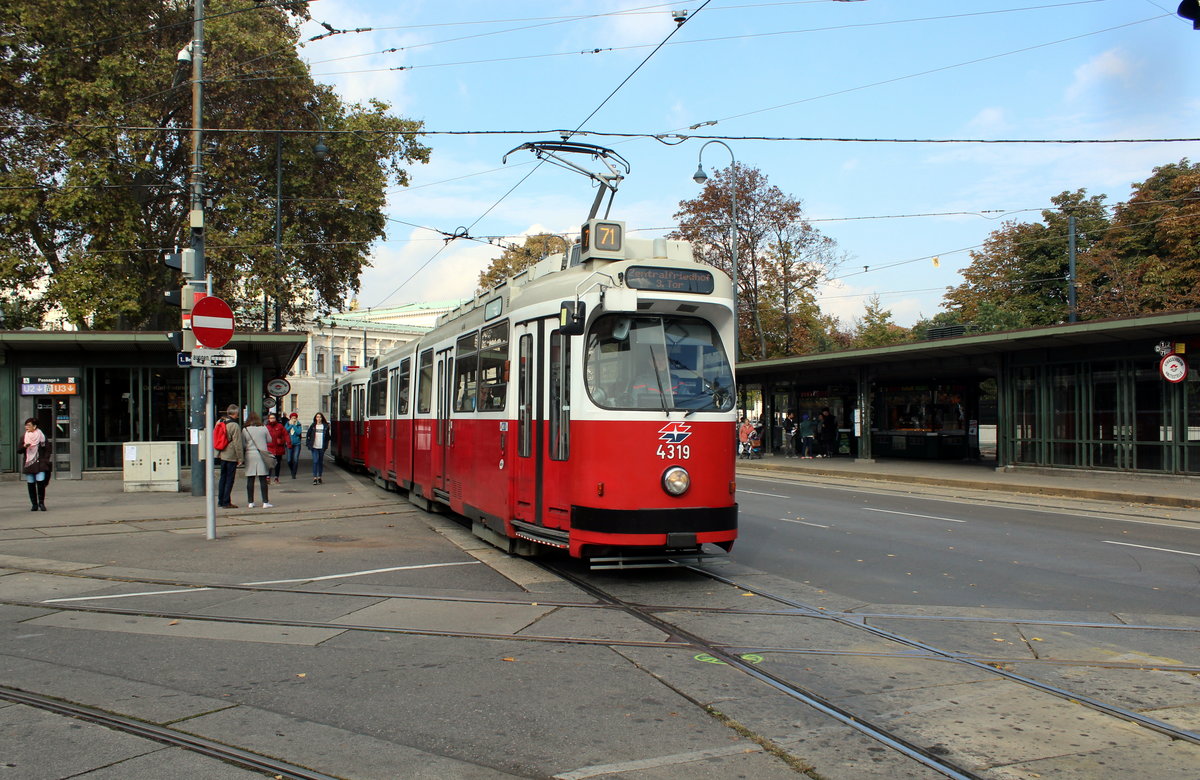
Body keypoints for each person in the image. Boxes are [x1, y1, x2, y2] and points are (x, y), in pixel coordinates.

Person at [241, 412, 273, 508]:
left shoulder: (245, 430)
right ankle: (265, 502)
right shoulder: (263, 428)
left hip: (250, 455)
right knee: (263, 479)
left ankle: (250, 502)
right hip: (261, 455)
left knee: (250, 479)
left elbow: (243, 444)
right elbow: (269, 440)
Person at [19, 418, 52, 511]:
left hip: (40, 463)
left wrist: (45, 460)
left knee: (40, 483)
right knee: (31, 484)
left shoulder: (41, 436)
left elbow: (47, 449)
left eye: (29, 425)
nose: (26, 427)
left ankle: (41, 503)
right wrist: (24, 447)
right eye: (26, 425)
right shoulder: (24, 437)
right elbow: (19, 450)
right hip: (29, 463)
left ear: (35, 426)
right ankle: (34, 504)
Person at [216, 405, 244, 508]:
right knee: (229, 479)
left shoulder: (220, 422)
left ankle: (220, 500)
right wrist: (240, 458)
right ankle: (226, 501)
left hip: (222, 453)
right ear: (235, 413)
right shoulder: (234, 425)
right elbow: (237, 443)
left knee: (222, 477)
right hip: (231, 455)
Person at [265, 412, 290, 484]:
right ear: (268, 419)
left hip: (278, 448)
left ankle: (276, 477)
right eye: (270, 418)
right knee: (269, 463)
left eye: (273, 418)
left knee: (277, 463)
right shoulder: (267, 427)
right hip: (270, 448)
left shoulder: (280, 426)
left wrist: (287, 442)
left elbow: (285, 435)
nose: (272, 420)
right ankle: (268, 477)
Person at [306, 412, 330, 484]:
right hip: (314, 447)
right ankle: (315, 477)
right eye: (317, 417)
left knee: (320, 462)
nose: (318, 418)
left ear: (322, 418)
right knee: (315, 461)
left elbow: (327, 437)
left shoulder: (325, 426)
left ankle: (319, 476)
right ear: (315, 418)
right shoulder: (313, 426)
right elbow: (308, 434)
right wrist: (308, 443)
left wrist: (326, 446)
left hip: (321, 447)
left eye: (320, 417)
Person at [284, 412, 303, 479]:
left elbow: (298, 432)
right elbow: (285, 431)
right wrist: (291, 425)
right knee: (289, 460)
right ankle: (292, 470)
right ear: (290, 418)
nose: (294, 419)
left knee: (295, 459)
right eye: (292, 418)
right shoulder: (287, 423)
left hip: (297, 444)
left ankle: (294, 473)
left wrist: (294, 425)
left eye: (295, 418)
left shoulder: (298, 424)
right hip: (289, 444)